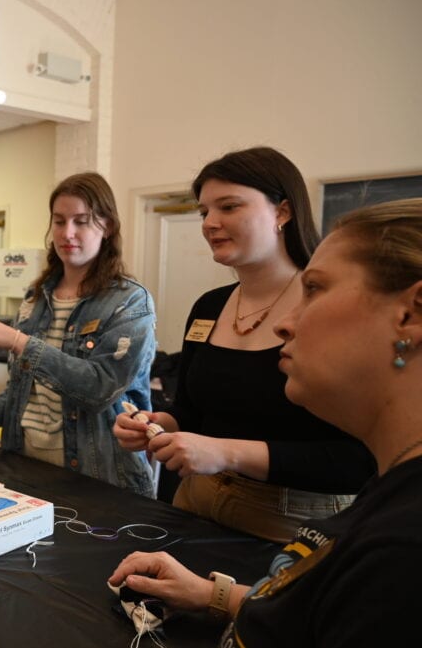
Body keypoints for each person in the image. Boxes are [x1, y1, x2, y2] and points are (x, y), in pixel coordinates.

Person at [108, 198, 422, 646]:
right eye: (203, 211)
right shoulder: (393, 491)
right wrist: (212, 594)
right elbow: (315, 606)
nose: (285, 324)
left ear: (410, 313)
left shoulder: (403, 550)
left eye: (314, 289)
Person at [113, 147, 374, 541]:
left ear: (283, 212)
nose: (210, 223)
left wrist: (224, 453)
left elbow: (359, 461)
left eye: (229, 207)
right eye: (204, 212)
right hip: (194, 503)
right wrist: (158, 426)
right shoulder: (209, 307)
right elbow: (191, 415)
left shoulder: (330, 308)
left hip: (291, 524)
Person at [0, 173, 157, 497]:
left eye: (81, 221)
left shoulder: (129, 302)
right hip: (24, 466)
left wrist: (18, 341)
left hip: (97, 477)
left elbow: (99, 389)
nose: (67, 233)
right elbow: (24, 386)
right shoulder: (36, 297)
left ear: (108, 226)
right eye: (59, 221)